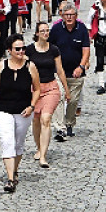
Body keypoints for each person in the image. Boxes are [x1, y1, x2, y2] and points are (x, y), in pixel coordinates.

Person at [0, 34, 41, 193]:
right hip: (3, 109)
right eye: (17, 49)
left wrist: (32, 106)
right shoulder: (1, 66)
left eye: (23, 48)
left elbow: (37, 89)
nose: (21, 51)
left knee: (18, 143)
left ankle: (15, 170)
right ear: (9, 50)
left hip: (23, 111)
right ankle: (10, 179)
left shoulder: (31, 66)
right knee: (7, 141)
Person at [25, 22, 71, 169]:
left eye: (47, 31)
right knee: (36, 120)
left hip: (51, 88)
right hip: (34, 89)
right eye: (42, 31)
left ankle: (43, 156)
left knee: (46, 119)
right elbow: (23, 69)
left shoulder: (54, 50)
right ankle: (39, 148)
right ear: (37, 33)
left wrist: (66, 89)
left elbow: (60, 70)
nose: (45, 33)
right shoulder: (30, 50)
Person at [48, 2, 90, 142]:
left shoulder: (82, 29)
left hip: (76, 72)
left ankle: (69, 123)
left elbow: (86, 50)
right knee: (59, 98)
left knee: (72, 101)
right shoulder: (55, 29)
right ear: (62, 16)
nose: (69, 17)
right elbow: (49, 48)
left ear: (76, 16)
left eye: (72, 15)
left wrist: (82, 66)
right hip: (58, 72)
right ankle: (60, 127)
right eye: (67, 15)